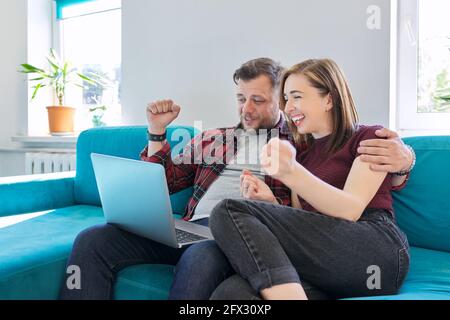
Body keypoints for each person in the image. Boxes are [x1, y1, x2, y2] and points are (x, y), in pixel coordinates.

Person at [59, 58, 414, 300]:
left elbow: (361, 186)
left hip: (228, 239)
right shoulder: (213, 138)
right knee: (94, 240)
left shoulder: (294, 144)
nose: (246, 108)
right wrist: (156, 135)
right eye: (241, 98)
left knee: (212, 245)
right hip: (193, 228)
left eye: (259, 99)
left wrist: (404, 161)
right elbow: (164, 182)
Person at [205, 59, 411, 300]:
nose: (288, 107)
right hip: (326, 264)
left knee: (228, 210)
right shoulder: (302, 152)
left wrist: (291, 172)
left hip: (372, 249)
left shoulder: (369, 137)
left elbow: (350, 209)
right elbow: (304, 222)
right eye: (286, 99)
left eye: (296, 96)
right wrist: (270, 203)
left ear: (329, 99)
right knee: (230, 293)